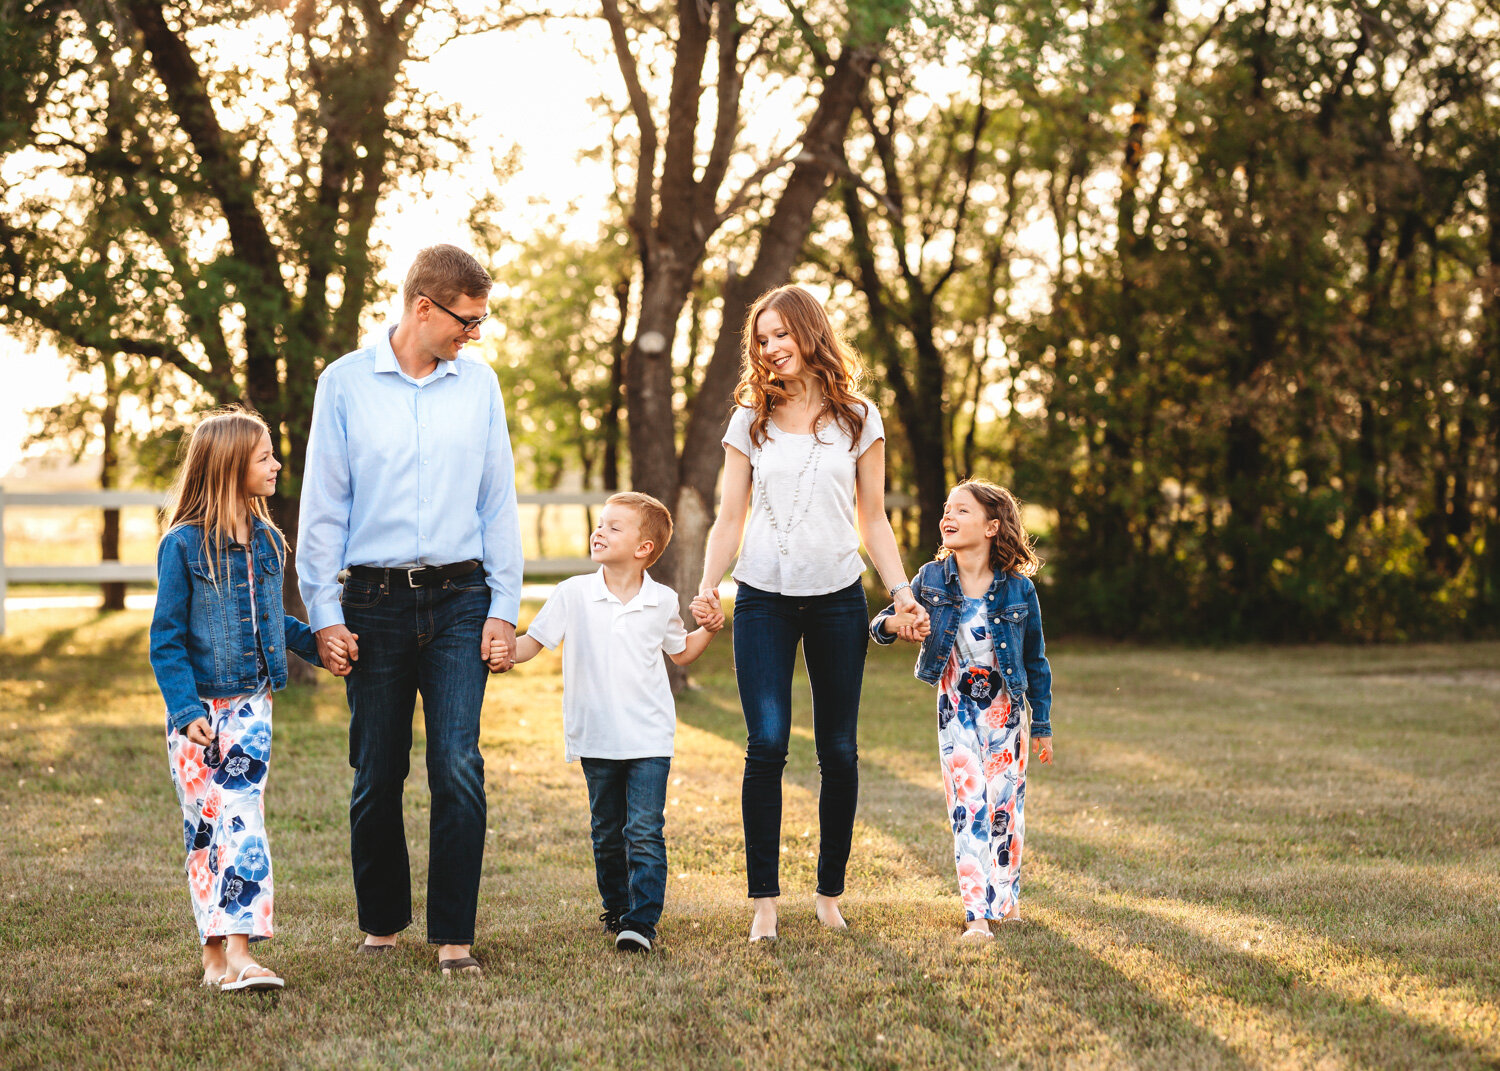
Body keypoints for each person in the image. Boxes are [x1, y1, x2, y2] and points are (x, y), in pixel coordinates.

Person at [298, 244, 523, 978]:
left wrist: (505, 606)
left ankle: (454, 936)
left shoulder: (479, 385)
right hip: (373, 602)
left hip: (462, 599)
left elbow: (498, 501)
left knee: (457, 762)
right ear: (423, 306)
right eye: (467, 319)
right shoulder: (344, 384)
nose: (476, 334)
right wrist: (325, 613)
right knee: (377, 768)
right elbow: (323, 508)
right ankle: (382, 922)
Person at [693, 284, 929, 943]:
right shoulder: (750, 419)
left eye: (779, 335)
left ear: (809, 332)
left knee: (840, 749)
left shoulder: (858, 417)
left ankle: (829, 892)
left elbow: (873, 518)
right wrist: (709, 584)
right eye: (760, 339)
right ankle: (764, 901)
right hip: (762, 597)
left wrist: (900, 588)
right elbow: (729, 515)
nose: (769, 348)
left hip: (837, 599)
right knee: (766, 743)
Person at [149, 407, 339, 992]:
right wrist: (186, 712)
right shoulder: (182, 546)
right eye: (264, 457)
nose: (277, 464)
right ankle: (213, 956)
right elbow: (167, 638)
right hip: (196, 712)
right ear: (231, 466)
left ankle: (240, 953)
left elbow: (270, 620)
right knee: (205, 828)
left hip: (250, 705)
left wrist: (321, 646)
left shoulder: (264, 541)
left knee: (241, 815)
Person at [498, 492, 723, 954]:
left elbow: (680, 651)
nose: (599, 531)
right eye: (600, 523)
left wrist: (711, 630)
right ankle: (617, 909)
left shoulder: (662, 600)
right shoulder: (572, 593)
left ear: (644, 548)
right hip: (595, 735)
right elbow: (530, 645)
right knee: (606, 831)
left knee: (643, 829)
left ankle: (641, 922)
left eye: (614, 526)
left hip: (649, 737)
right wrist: (501, 653)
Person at [871, 479, 1054, 938]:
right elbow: (878, 626)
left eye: (962, 511)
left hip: (1007, 715)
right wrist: (899, 622)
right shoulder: (928, 580)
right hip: (956, 714)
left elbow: (1035, 660)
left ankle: (1006, 897)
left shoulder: (1019, 590)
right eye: (946, 509)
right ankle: (977, 914)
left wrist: (1042, 723)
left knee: (1004, 808)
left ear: (993, 527)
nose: (947, 517)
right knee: (968, 806)